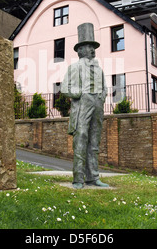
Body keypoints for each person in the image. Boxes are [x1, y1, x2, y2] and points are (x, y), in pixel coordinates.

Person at [61, 23, 109, 189]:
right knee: (81, 139)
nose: (92, 50)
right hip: (82, 105)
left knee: (94, 142)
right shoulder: (74, 68)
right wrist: (80, 94)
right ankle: (78, 179)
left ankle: (93, 177)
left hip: (97, 105)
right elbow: (64, 88)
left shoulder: (99, 69)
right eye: (89, 47)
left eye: (93, 47)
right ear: (80, 50)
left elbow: (104, 87)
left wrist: (102, 97)